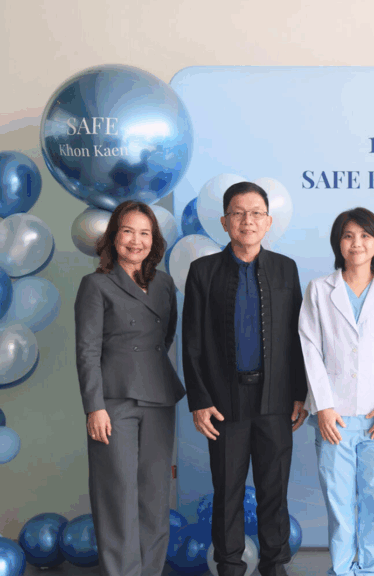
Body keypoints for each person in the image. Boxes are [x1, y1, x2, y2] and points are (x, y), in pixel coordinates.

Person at [182, 181, 309, 576]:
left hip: (276, 399)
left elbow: (297, 337)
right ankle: (230, 566)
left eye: (256, 213)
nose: (247, 221)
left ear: (268, 222)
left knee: (274, 490)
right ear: (224, 221)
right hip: (223, 401)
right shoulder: (202, 271)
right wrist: (200, 400)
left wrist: (299, 393)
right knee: (227, 491)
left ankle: (275, 566)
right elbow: (191, 342)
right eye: (238, 213)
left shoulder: (285, 268)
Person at [298, 207, 374, 576]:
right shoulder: (320, 289)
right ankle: (342, 570)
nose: (356, 243)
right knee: (339, 501)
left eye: (365, 236)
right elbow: (310, 349)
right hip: (335, 417)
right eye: (348, 236)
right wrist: (324, 406)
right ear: (338, 243)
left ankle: (371, 569)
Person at [74, 200, 183, 576]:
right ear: (113, 237)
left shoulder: (165, 284)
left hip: (159, 397)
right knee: (117, 494)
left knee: (155, 494)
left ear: (154, 240)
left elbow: (165, 337)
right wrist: (94, 406)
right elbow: (87, 350)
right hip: (113, 402)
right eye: (127, 231)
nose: (136, 241)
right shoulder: (96, 284)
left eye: (144, 233)